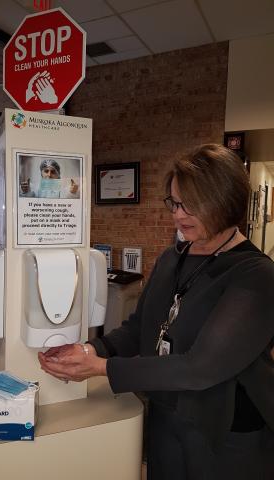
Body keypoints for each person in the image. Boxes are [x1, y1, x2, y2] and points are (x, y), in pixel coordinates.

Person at [39, 144, 274, 480]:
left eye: (191, 205)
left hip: (226, 434)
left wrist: (101, 368)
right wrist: (90, 349)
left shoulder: (255, 275)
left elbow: (200, 368)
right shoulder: (172, 258)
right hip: (166, 416)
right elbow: (140, 327)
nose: (178, 214)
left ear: (225, 201)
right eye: (175, 203)